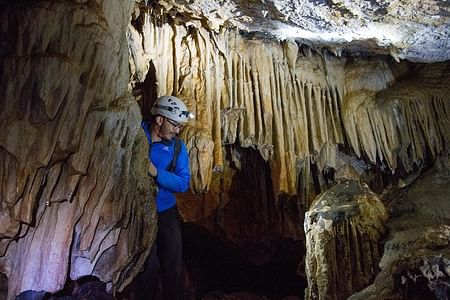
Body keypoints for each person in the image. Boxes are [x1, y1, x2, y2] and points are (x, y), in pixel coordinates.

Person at [139, 95, 194, 300]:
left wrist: (156, 173)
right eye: (175, 125)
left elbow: (182, 182)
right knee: (146, 268)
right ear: (160, 119)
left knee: (173, 267)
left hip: (166, 214)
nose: (177, 130)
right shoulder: (136, 134)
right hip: (139, 215)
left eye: (180, 126)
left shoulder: (178, 148)